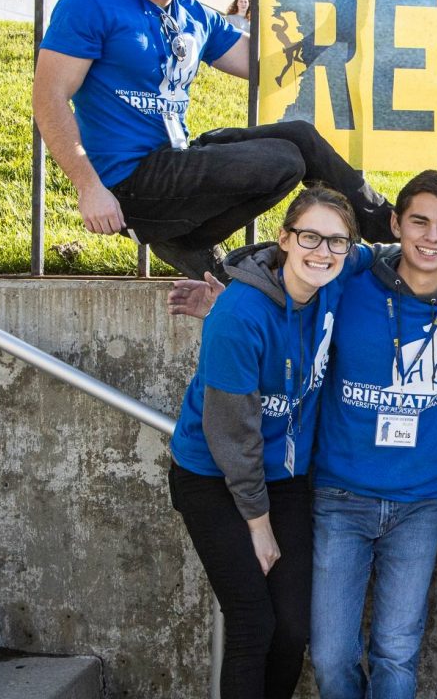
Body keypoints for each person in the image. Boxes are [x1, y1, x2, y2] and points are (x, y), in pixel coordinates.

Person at [33, 0, 395, 281]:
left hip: (177, 158)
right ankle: (186, 238)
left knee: (299, 136)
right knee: (285, 161)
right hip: (129, 182)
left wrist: (332, 34)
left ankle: (391, 227)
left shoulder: (195, 16)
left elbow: (266, 65)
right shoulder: (90, 4)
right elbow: (48, 98)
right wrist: (88, 187)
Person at [308, 170, 437, 699]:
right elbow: (298, 271)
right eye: (418, 222)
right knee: (330, 655)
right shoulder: (349, 285)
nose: (430, 237)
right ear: (394, 224)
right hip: (341, 497)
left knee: (396, 653)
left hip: (418, 505)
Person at [167, 186, 361, 699]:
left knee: (293, 629)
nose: (323, 251)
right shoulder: (236, 316)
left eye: (337, 241)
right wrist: (259, 525)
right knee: (254, 624)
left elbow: (408, 255)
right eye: (310, 237)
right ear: (284, 239)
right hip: (214, 477)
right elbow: (231, 434)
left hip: (288, 478)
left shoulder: (336, 281)